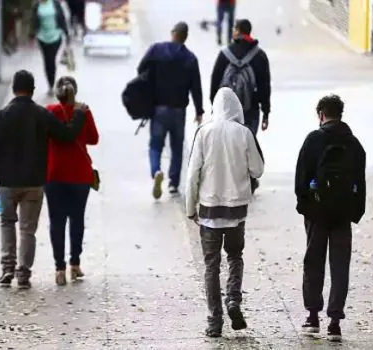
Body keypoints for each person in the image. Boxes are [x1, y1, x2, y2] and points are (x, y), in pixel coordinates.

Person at [0, 70, 87, 289]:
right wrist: (79, 115)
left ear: (13, 88)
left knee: (7, 223)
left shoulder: (2, 115)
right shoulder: (41, 114)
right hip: (35, 182)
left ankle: (8, 267)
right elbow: (66, 135)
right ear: (33, 90)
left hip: (7, 182)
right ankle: (24, 273)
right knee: (27, 229)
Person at [185, 87, 264, 338]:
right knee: (235, 257)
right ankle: (233, 300)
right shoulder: (244, 133)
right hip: (236, 212)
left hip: (209, 211)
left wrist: (190, 208)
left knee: (211, 266)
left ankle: (214, 320)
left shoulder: (204, 133)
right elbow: (258, 169)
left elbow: (192, 175)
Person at [295, 95, 366, 342]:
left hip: (317, 213)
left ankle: (313, 317)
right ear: (340, 114)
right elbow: (360, 182)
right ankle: (335, 322)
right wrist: (354, 212)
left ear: (321, 115)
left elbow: (300, 180)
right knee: (340, 266)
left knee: (313, 263)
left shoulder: (313, 140)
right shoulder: (354, 144)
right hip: (343, 215)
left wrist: (305, 207)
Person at [137, 21, 204, 199]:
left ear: (173, 33)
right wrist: (199, 110)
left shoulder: (156, 50)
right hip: (178, 111)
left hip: (158, 108)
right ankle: (173, 184)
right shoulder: (190, 58)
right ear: (185, 37)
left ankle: (156, 171)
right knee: (176, 147)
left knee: (156, 145)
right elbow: (196, 87)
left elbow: (141, 69)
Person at [45, 76, 99, 286]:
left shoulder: (49, 111)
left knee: (56, 222)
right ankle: (75, 265)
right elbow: (94, 139)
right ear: (75, 92)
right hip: (79, 176)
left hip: (54, 174)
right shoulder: (84, 111)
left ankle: (59, 270)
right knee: (77, 219)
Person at [210, 19, 271, 192]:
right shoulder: (259, 55)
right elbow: (265, 85)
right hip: (250, 108)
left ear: (237, 31)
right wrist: (266, 112)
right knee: (248, 142)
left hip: (226, 109)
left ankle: (229, 179)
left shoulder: (225, 54)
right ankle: (249, 178)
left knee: (227, 143)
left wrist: (213, 106)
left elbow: (215, 81)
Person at [30, 0, 70, 96]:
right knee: (47, 61)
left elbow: (62, 18)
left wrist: (67, 34)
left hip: (56, 36)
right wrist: (31, 35)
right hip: (42, 37)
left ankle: (51, 85)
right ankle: (50, 84)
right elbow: (33, 21)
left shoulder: (55, 3)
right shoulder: (37, 5)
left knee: (51, 60)